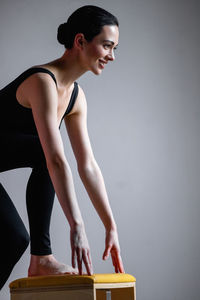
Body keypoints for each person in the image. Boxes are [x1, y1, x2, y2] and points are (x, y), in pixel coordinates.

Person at [0, 5, 124, 290]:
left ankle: (39, 259)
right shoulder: (42, 81)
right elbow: (55, 158)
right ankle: (42, 257)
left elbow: (88, 165)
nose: (112, 56)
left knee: (13, 240)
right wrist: (76, 225)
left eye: (115, 48)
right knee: (43, 155)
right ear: (80, 41)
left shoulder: (76, 97)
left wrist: (110, 226)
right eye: (107, 46)